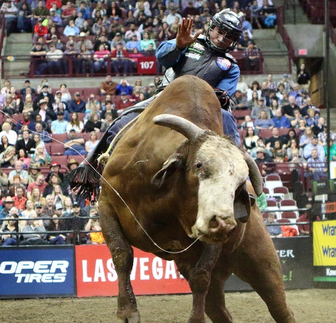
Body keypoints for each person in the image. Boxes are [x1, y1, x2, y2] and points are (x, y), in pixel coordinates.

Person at [68, 10, 244, 199]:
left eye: (229, 36)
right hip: (165, 98)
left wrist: (214, 96)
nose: (222, 38)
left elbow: (223, 96)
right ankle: (97, 167)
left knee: (227, 119)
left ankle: (242, 180)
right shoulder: (189, 41)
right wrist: (178, 45)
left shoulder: (231, 66)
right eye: (220, 31)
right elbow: (162, 57)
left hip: (200, 107)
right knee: (121, 121)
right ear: (212, 27)